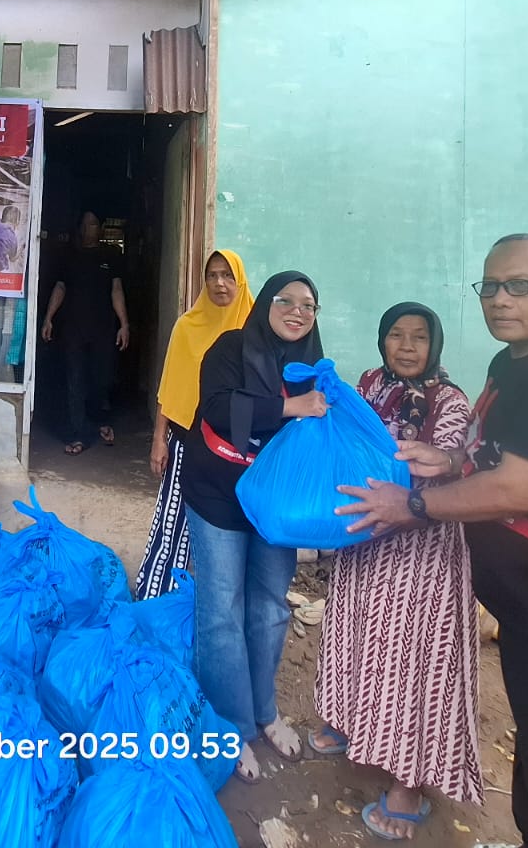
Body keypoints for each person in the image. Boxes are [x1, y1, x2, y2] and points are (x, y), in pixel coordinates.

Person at [335, 234, 528, 848]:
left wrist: (413, 504)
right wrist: (449, 458)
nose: (500, 299)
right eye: (491, 286)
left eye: (521, 285)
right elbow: (493, 453)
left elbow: (520, 488)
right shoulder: (515, 363)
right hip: (527, 614)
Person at [311, 303, 480, 841]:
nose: (406, 346)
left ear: (435, 345)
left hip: (420, 551)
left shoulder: (450, 402)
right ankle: (350, 722)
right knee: (355, 634)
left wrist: (399, 496)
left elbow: (443, 473)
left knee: (411, 661)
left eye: (419, 337)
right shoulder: (369, 384)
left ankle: (409, 785)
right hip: (365, 541)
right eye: (396, 336)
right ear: (382, 341)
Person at [180, 270, 330, 785]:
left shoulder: (312, 365)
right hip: (219, 491)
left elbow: (322, 430)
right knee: (222, 608)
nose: (296, 310)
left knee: (268, 606)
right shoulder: (230, 346)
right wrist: (292, 406)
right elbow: (219, 409)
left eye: (308, 305)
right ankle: (231, 726)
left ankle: (264, 711)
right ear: (264, 302)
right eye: (285, 300)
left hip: (276, 502)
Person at [133, 249, 254, 599]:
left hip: (235, 450)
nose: (219, 283)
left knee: (227, 531)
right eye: (212, 275)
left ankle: (214, 605)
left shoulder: (255, 330)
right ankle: (156, 595)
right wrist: (160, 439)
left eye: (228, 275)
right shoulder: (187, 326)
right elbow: (170, 386)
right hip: (187, 441)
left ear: (240, 280)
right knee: (173, 521)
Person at [41, 212, 129, 455]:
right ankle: (78, 434)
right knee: (75, 381)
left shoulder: (110, 255)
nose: (91, 227)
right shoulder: (69, 257)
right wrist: (48, 318)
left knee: (101, 378)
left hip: (103, 329)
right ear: (80, 228)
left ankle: (98, 422)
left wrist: (124, 324)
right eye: (87, 223)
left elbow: (116, 289)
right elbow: (60, 287)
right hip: (73, 330)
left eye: (95, 223)